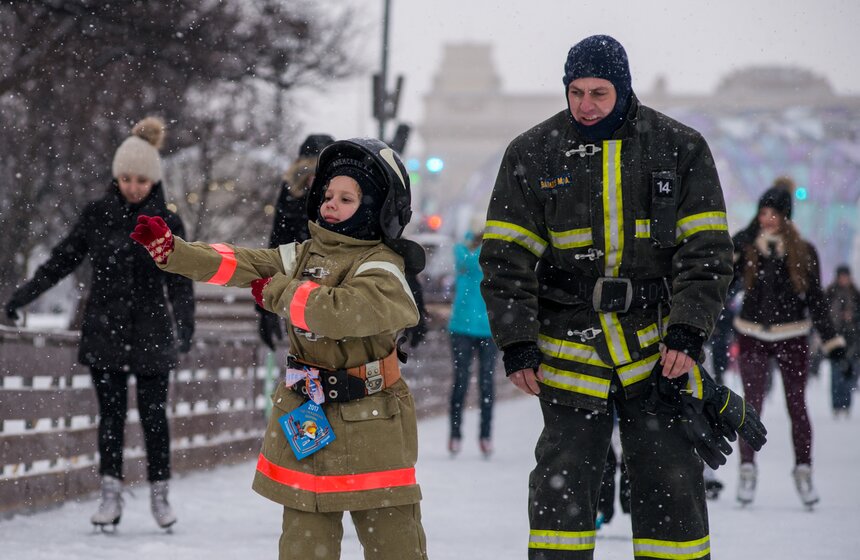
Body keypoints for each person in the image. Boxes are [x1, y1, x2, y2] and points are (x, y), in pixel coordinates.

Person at [479, 35, 735, 559]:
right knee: (560, 493)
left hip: (658, 353)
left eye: (599, 92)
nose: (586, 105)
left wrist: (688, 330)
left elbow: (707, 252)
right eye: (575, 92)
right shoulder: (532, 152)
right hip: (569, 350)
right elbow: (505, 261)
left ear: (623, 88)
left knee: (671, 488)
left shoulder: (678, 147)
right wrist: (518, 343)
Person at [130, 138, 428, 559]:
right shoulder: (304, 254)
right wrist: (176, 253)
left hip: (373, 422)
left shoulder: (382, 265)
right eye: (327, 195)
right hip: (310, 416)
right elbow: (242, 262)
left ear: (376, 208)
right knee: (304, 542)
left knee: (393, 543)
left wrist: (277, 292)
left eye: (346, 198)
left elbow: (340, 312)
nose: (330, 204)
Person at [4, 117, 195, 530]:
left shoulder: (166, 222)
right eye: (126, 178)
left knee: (153, 416)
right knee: (110, 416)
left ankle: (160, 495)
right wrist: (21, 297)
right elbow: (61, 260)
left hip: (151, 331)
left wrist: (185, 327)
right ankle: (110, 494)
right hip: (106, 328)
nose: (133, 187)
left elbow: (180, 281)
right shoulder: (98, 215)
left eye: (141, 180)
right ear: (116, 176)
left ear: (154, 180)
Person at [732, 182, 850, 507]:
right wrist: (740, 243)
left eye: (774, 213)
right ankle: (746, 469)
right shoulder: (747, 247)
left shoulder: (803, 251)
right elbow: (724, 284)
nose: (767, 219)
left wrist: (832, 342)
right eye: (763, 212)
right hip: (752, 333)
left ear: (786, 216)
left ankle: (803, 471)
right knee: (750, 406)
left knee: (796, 406)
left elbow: (816, 302)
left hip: (792, 335)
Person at [257, 134, 335, 351]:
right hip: (302, 299)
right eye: (309, 174)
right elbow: (277, 250)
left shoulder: (342, 201)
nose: (315, 181)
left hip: (337, 299)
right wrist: (266, 308)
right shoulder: (292, 199)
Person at [447, 219, 498, 458]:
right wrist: (475, 240)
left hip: (488, 328)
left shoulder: (491, 250)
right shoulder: (462, 250)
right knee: (461, 381)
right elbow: (467, 261)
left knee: (486, 384)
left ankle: (485, 435)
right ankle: (455, 434)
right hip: (461, 327)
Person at [825, 264, 860, 416]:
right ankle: (837, 404)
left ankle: (846, 404)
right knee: (835, 373)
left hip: (852, 340)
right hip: (835, 338)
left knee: (849, 372)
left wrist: (853, 317)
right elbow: (825, 315)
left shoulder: (855, 294)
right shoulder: (831, 293)